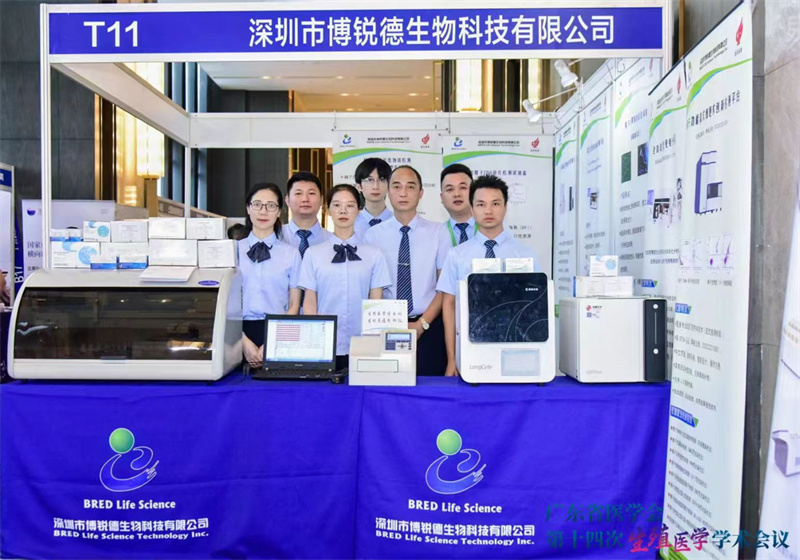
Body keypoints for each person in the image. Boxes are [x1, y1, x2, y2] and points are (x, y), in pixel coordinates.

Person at [437, 175, 539, 378]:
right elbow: (448, 305)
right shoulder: (457, 255)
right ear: (472, 208)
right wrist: (452, 358)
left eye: (495, 204)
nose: (489, 210)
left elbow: (535, 305)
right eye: (481, 204)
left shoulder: (524, 254)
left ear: (505, 207)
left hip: (514, 349)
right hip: (471, 347)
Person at [364, 165, 447, 375]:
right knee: (388, 387)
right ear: (388, 191)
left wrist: (422, 324)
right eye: (397, 186)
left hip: (429, 327)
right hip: (386, 327)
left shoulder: (438, 233)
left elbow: (444, 287)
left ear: (421, 193)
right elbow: (370, 289)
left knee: (429, 388)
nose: (403, 193)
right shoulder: (373, 235)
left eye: (410, 187)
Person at [299, 184, 391, 371]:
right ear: (328, 210)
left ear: (359, 210)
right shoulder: (313, 254)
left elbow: (376, 301)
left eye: (349, 205)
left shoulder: (374, 254)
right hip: (325, 345)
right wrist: (314, 341)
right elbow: (310, 301)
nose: (343, 211)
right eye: (337, 205)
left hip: (362, 344)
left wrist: (372, 339)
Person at [238, 183, 302, 369]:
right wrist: (242, 341)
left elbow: (294, 305)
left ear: (279, 211)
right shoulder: (233, 250)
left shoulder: (291, 254)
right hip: (237, 334)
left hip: (280, 332)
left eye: (271, 206)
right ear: (248, 208)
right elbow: (223, 304)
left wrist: (273, 341)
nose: (263, 211)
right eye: (257, 204)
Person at [283, 171, 332, 258]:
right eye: (298, 193)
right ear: (287, 200)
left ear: (321, 200)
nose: (305, 199)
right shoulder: (276, 237)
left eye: (311, 193)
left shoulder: (332, 241)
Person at [437, 163, 478, 256]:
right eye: (450, 189)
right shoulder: (436, 235)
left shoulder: (490, 231)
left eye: (463, 187)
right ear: (442, 197)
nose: (457, 194)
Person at [353, 157, 393, 238]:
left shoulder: (399, 222)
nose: (375, 186)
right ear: (359, 186)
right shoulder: (351, 223)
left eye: (382, 180)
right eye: (370, 180)